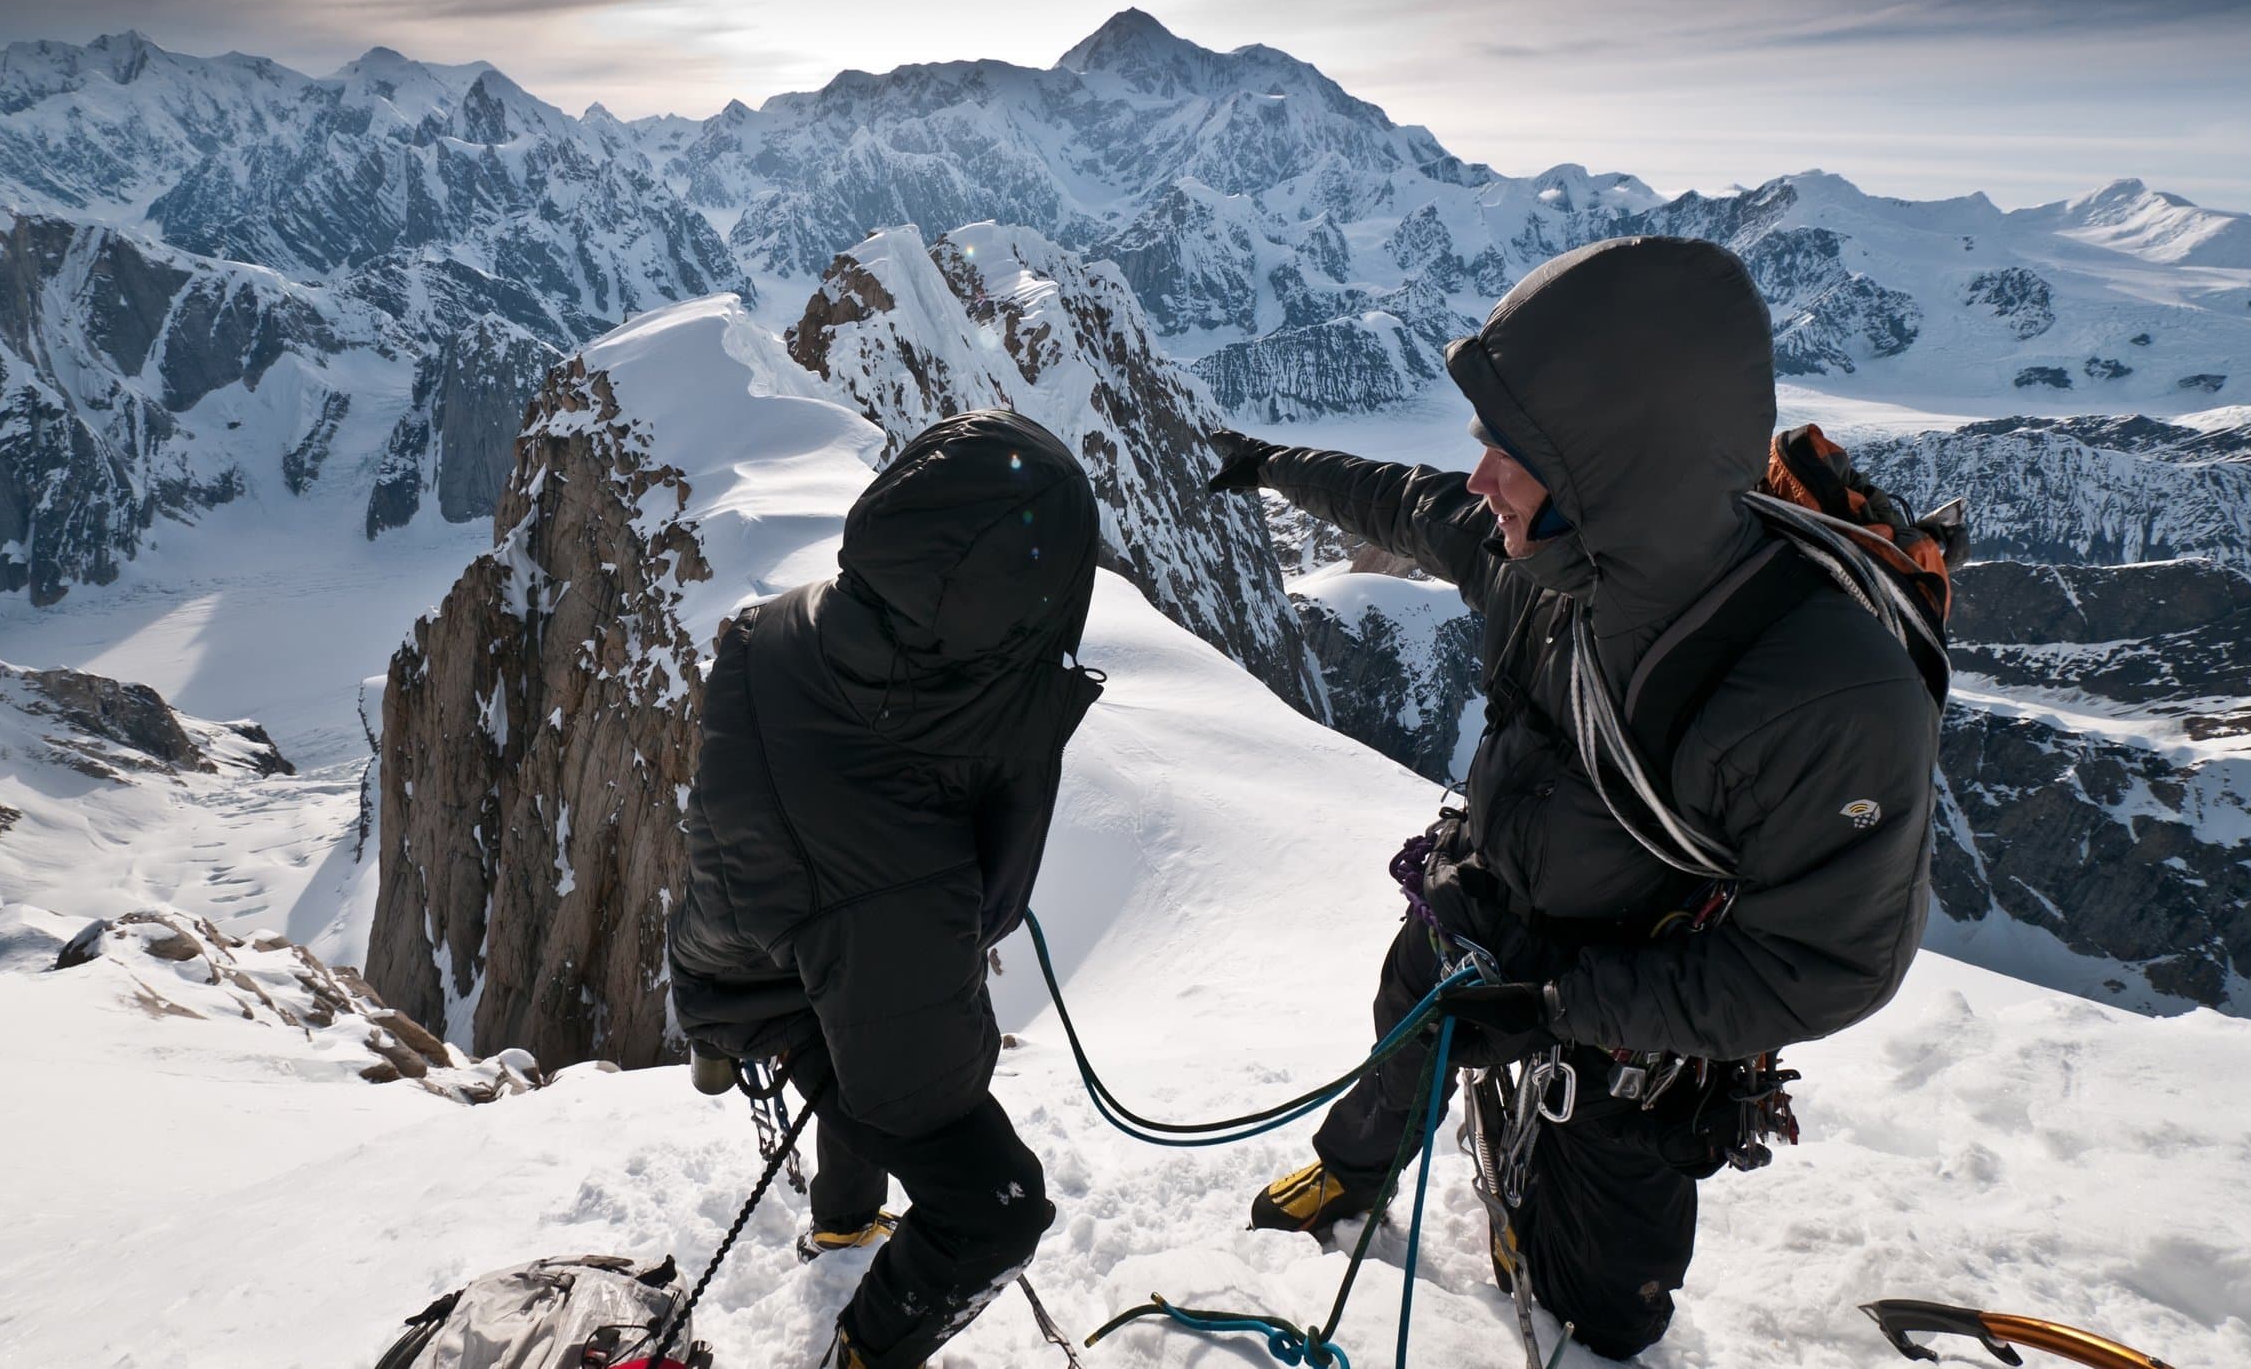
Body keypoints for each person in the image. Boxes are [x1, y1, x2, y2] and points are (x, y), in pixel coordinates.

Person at [1208, 235, 1941, 1360]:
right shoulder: (1537, 560)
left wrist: (1562, 1007)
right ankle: (1353, 1168)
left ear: (1615, 469)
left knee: (1604, 1312)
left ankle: (1557, 1259)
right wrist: (1268, 463)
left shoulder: (1828, 693)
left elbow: (1827, 962)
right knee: (1407, 1029)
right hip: (1489, 903)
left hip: (1642, 1009)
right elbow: (1402, 501)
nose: (1479, 480)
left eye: (1510, 454)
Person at [666, 408, 1105, 1369]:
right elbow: (932, 1078)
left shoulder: (780, 626)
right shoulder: (897, 872)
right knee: (992, 1206)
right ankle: (863, 1352)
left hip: (743, 944)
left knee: (860, 1032)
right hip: (779, 983)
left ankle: (844, 1222)